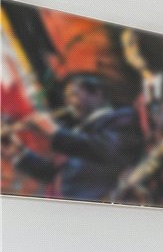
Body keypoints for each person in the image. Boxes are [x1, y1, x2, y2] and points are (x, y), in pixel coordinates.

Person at [7, 72, 143, 202]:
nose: (68, 102)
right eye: (66, 97)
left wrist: (54, 132)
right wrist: (18, 152)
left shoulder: (122, 117)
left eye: (73, 94)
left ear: (97, 93)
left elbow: (107, 150)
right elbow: (54, 173)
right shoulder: (77, 132)